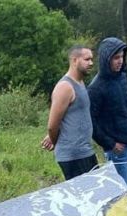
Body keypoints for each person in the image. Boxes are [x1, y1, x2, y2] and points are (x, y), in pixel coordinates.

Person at [89, 37, 127, 189]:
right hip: (118, 149)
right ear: (106, 59)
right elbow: (91, 121)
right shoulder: (96, 87)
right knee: (124, 190)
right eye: (116, 57)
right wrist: (109, 144)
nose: (120, 61)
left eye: (122, 57)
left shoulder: (123, 77)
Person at [42, 45, 97, 180]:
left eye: (91, 59)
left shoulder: (80, 83)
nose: (91, 63)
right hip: (74, 155)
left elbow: (69, 117)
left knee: (94, 194)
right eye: (87, 59)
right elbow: (52, 125)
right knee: (85, 196)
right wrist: (57, 141)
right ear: (74, 60)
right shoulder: (65, 87)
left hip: (85, 151)